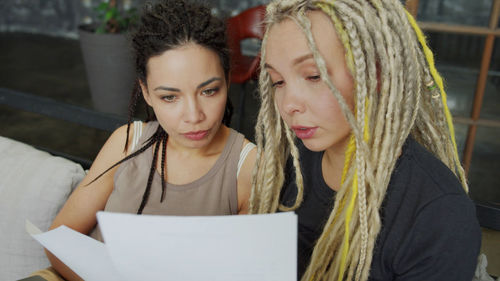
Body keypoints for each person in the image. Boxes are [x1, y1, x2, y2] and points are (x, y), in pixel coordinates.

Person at [249, 0, 481, 280]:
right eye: (278, 81)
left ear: (377, 75)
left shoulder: (439, 215)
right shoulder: (294, 161)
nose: (288, 105)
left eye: (313, 75)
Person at [34, 0, 256, 280]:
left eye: (209, 91)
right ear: (146, 93)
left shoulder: (248, 167)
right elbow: (59, 242)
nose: (193, 115)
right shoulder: (127, 142)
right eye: (169, 97)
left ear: (226, 80)